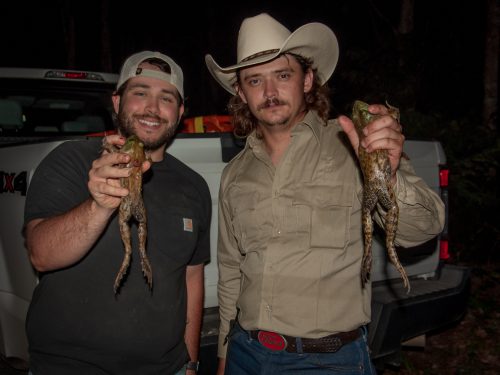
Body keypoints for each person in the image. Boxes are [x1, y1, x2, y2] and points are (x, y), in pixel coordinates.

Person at [205, 13, 445, 374]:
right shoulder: (235, 174)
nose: (269, 92)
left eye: (283, 75)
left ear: (308, 80)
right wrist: (225, 356)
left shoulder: (354, 147)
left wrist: (389, 174)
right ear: (241, 92)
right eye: (255, 80)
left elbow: (421, 229)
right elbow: (231, 270)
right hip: (245, 354)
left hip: (329, 361)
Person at [23, 51, 211, 375]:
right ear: (117, 101)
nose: (152, 108)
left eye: (166, 98)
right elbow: (41, 255)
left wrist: (191, 364)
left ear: (180, 111)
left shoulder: (193, 186)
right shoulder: (70, 160)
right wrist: (100, 203)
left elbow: (192, 278)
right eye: (140, 93)